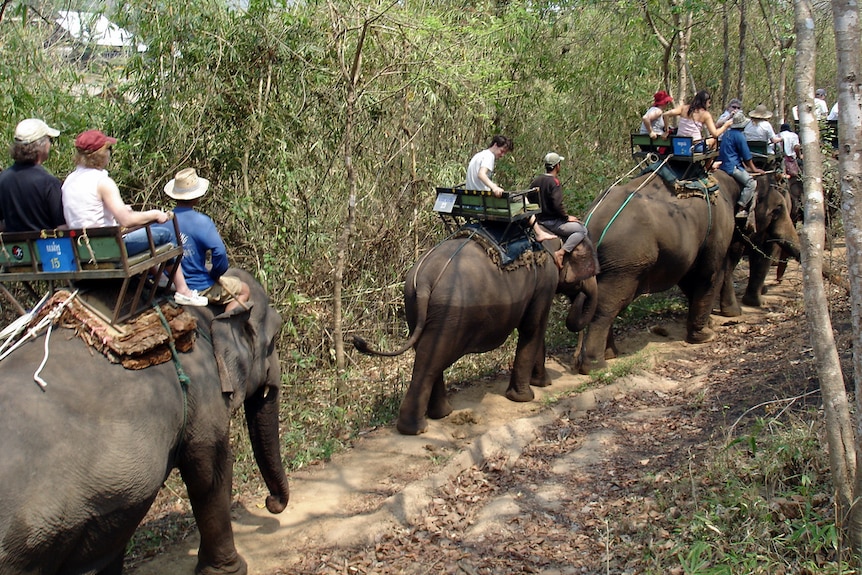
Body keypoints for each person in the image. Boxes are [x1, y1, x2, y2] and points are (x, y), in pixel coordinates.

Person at [62, 129, 207, 306]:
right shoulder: (102, 182)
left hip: (82, 250)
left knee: (146, 238)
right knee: (164, 235)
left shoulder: (69, 181)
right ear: (101, 155)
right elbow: (126, 220)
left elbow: (89, 213)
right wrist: (154, 214)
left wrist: (123, 211)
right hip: (107, 249)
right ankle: (183, 290)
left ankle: (158, 282)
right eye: (109, 150)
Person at [156, 168, 250, 312]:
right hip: (197, 286)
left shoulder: (160, 221)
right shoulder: (202, 222)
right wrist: (215, 274)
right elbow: (219, 253)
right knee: (244, 290)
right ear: (196, 197)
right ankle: (223, 326)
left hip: (167, 282)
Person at [466, 135, 555, 241]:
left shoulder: (478, 155)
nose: (502, 155)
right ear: (495, 145)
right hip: (484, 201)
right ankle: (539, 233)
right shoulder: (489, 156)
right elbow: (481, 174)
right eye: (502, 151)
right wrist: (494, 187)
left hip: (472, 200)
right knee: (522, 199)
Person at [0, 118, 66, 232]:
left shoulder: (3, 179)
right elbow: (61, 226)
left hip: (13, 248)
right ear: (41, 146)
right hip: (45, 247)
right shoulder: (48, 183)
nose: (50, 145)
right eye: (49, 140)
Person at [530, 153, 588, 270]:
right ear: (557, 166)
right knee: (582, 230)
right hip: (552, 222)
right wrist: (566, 218)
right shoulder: (554, 182)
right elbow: (557, 204)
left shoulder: (536, 181)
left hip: (539, 221)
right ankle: (561, 252)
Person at [718, 111, 765, 223]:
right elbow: (747, 157)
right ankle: (741, 208)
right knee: (751, 184)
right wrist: (754, 169)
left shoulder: (726, 133)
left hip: (722, 164)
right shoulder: (740, 137)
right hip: (732, 167)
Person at [664, 90, 730, 152]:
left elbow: (665, 114)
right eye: (709, 102)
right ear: (705, 102)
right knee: (714, 140)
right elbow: (715, 134)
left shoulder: (683, 108)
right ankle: (708, 164)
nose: (709, 105)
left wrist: (666, 131)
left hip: (679, 145)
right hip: (694, 146)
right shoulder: (705, 114)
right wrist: (725, 126)